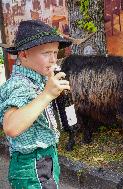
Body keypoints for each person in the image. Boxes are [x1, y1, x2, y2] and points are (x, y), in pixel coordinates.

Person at [0, 20, 72, 188]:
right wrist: (46, 95)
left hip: (45, 158)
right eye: (47, 53)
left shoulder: (38, 78)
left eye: (55, 52)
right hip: (33, 164)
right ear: (24, 55)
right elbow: (11, 127)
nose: (53, 59)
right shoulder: (19, 84)